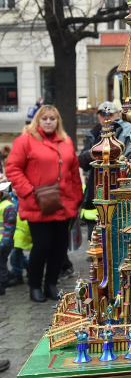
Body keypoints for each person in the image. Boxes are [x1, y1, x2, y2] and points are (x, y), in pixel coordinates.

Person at [5, 106, 82, 303]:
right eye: (45, 118)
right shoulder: (25, 141)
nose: (49, 122)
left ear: (58, 121)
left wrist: (75, 199)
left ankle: (51, 284)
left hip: (63, 204)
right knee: (41, 245)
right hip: (37, 204)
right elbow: (13, 169)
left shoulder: (66, 141)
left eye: (53, 119)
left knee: (59, 247)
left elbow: (73, 172)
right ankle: (34, 285)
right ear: (37, 121)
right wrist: (29, 192)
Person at [78, 102, 131, 241]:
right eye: (102, 114)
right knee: (95, 228)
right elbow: (82, 161)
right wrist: (93, 154)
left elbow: (129, 156)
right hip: (95, 187)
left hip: (116, 185)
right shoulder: (93, 133)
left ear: (118, 115)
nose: (106, 118)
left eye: (110, 114)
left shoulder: (124, 130)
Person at [0, 181, 17, 295]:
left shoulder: (7, 206)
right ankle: (8, 276)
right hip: (3, 241)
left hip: (4, 243)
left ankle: (2, 285)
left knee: (1, 265)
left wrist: (5, 241)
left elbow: (10, 226)